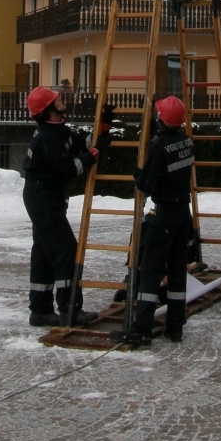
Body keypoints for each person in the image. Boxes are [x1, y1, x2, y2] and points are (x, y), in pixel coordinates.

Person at [111, 95, 194, 347]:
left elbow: (147, 184)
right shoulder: (186, 141)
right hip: (182, 213)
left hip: (166, 213)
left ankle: (142, 328)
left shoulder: (159, 146)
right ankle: (175, 326)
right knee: (177, 269)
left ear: (162, 120)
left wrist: (139, 175)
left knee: (151, 269)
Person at [22, 86, 101, 327]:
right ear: (48, 110)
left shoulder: (57, 130)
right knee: (66, 250)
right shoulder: (47, 138)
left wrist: (103, 129)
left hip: (45, 197)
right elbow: (68, 169)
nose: (61, 100)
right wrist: (91, 156)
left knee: (45, 252)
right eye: (55, 100)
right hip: (42, 199)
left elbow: (77, 142)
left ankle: (41, 310)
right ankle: (70, 309)